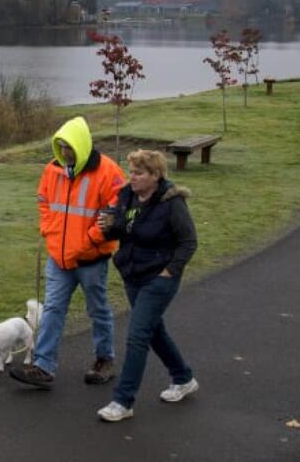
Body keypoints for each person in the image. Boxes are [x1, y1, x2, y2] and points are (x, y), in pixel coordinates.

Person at [10, 116, 126, 389]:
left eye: (69, 147)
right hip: (59, 259)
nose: (64, 153)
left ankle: (104, 360)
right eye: (60, 146)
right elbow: (44, 202)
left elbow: (116, 211)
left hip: (91, 259)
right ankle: (43, 366)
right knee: (52, 309)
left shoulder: (108, 172)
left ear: (82, 145)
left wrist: (88, 240)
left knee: (97, 309)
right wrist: (50, 232)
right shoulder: (53, 170)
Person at [95, 149, 198, 422]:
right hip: (132, 274)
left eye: (139, 173)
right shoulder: (127, 195)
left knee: (138, 335)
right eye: (131, 171)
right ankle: (183, 377)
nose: (133, 177)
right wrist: (110, 226)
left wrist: (169, 271)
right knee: (153, 331)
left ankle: (123, 401)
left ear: (156, 175)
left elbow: (188, 242)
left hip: (159, 278)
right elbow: (124, 231)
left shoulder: (171, 202)